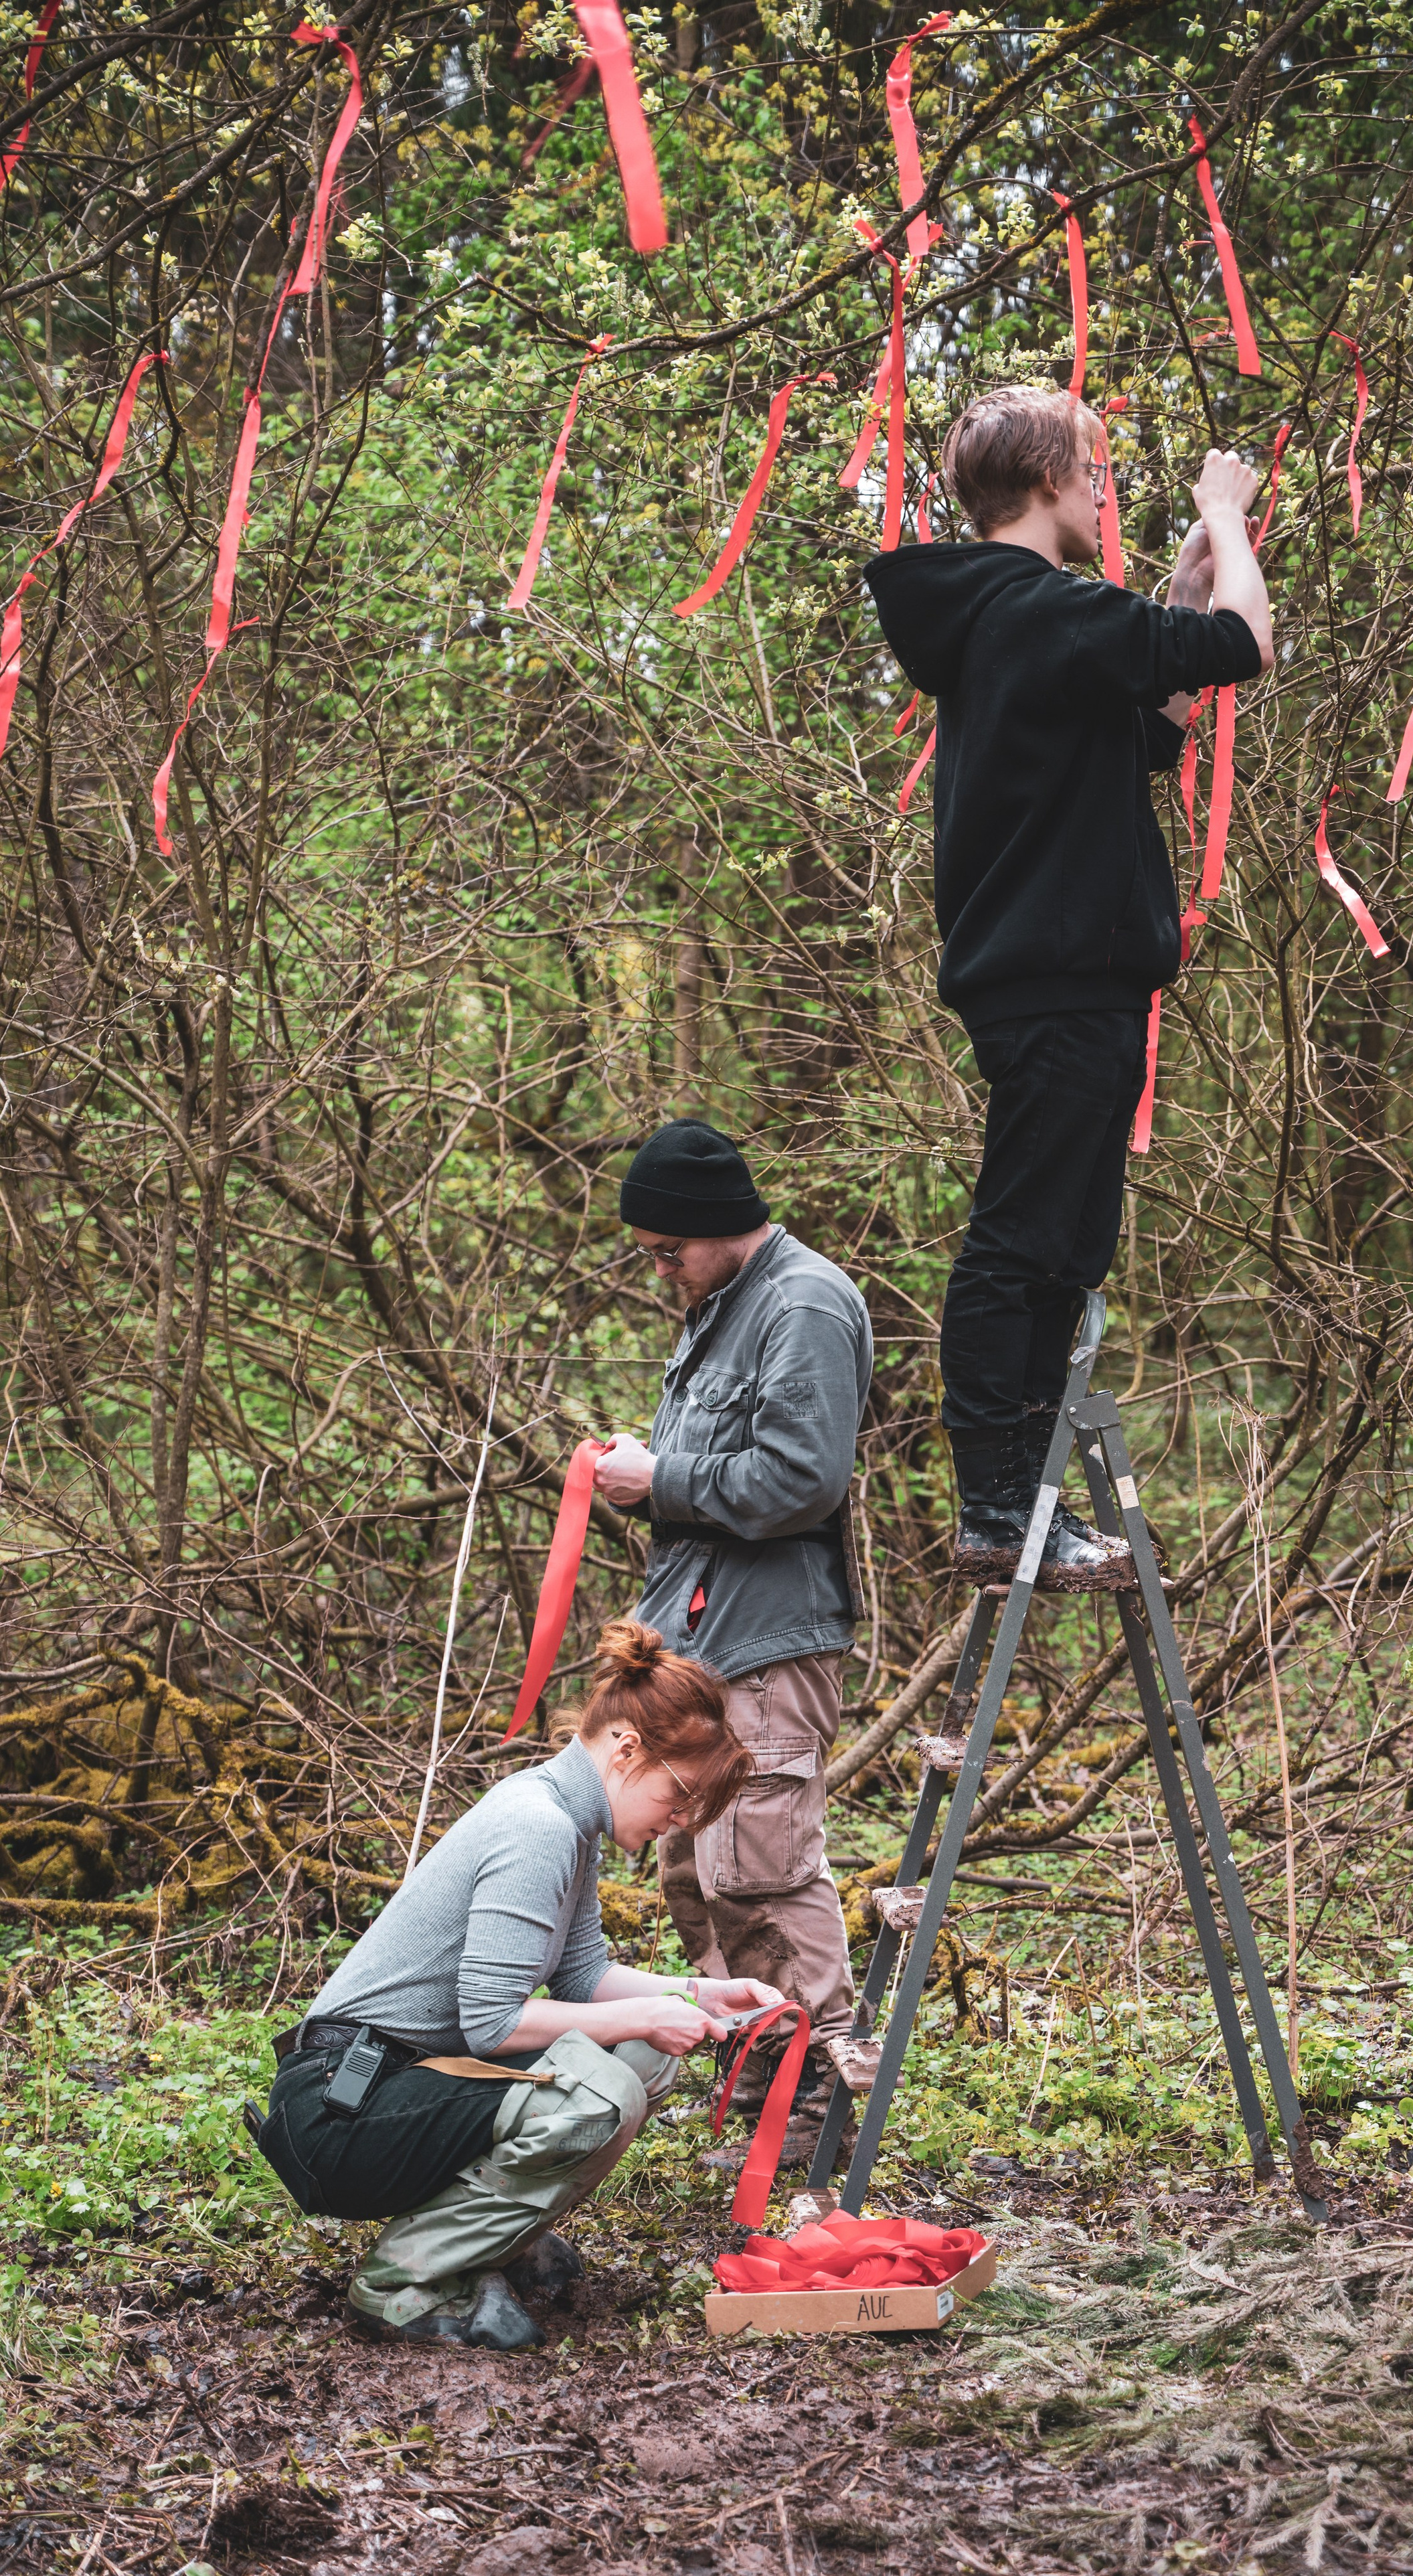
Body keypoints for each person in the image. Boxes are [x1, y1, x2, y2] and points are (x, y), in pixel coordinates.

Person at [863, 389, 1274, 1587]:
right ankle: (998, 1507)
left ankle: (1024, 1501)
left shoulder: (1022, 623)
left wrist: (1188, 581)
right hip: (1052, 978)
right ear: (1048, 482)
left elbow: (1161, 711)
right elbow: (1243, 647)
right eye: (1094, 474)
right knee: (1021, 1240)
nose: (1105, 496)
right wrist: (1225, 515)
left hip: (1070, 979)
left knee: (1065, 1245)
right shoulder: (1036, 610)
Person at [252, 1621, 776, 2350]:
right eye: (680, 1794)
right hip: (340, 2106)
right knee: (602, 2088)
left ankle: (489, 2239)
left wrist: (694, 1993)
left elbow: (583, 1974)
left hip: (395, 2083)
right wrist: (652, 2011)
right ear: (626, 1749)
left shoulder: (568, 1819)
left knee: (642, 2050)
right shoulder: (539, 1826)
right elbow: (492, 2024)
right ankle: (404, 2282)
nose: (681, 1820)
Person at [592, 1117, 873, 2166]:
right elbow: (724, 1472)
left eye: (670, 1250)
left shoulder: (801, 1304)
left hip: (766, 1636)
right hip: (698, 1634)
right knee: (689, 1868)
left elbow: (802, 1481)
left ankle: (822, 2104)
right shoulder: (723, 1306)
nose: (661, 1269)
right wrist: (645, 1467)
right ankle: (764, 2078)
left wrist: (657, 1478)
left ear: (719, 1228)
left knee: (757, 1867)